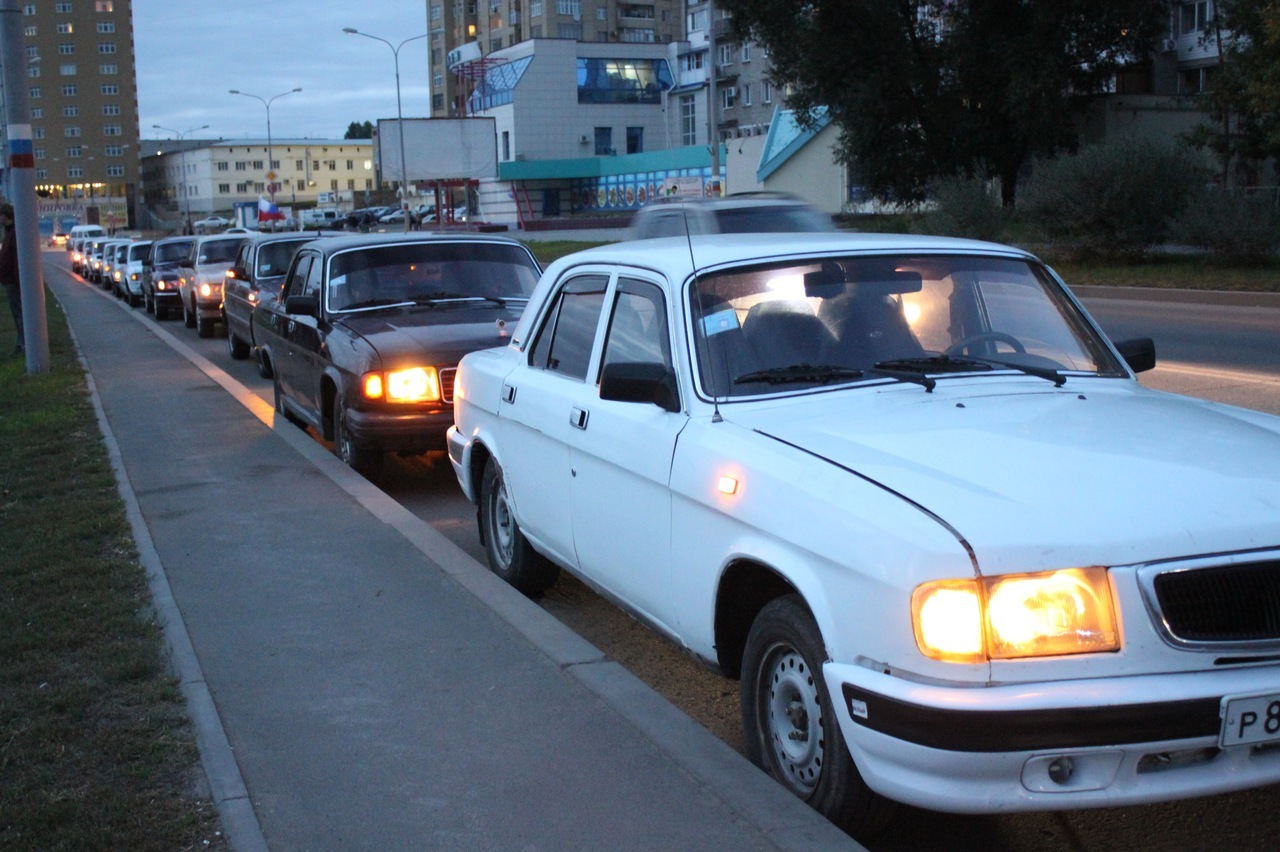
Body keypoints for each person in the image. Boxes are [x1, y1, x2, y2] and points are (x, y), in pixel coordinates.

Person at [0, 203, 22, 355]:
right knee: (16, 312)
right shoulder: (8, 232)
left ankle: (23, 344)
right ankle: (22, 342)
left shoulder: (13, 233)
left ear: (4, 216)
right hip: (9, 280)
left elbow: (15, 259)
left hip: (13, 281)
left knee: (19, 313)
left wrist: (17, 280)